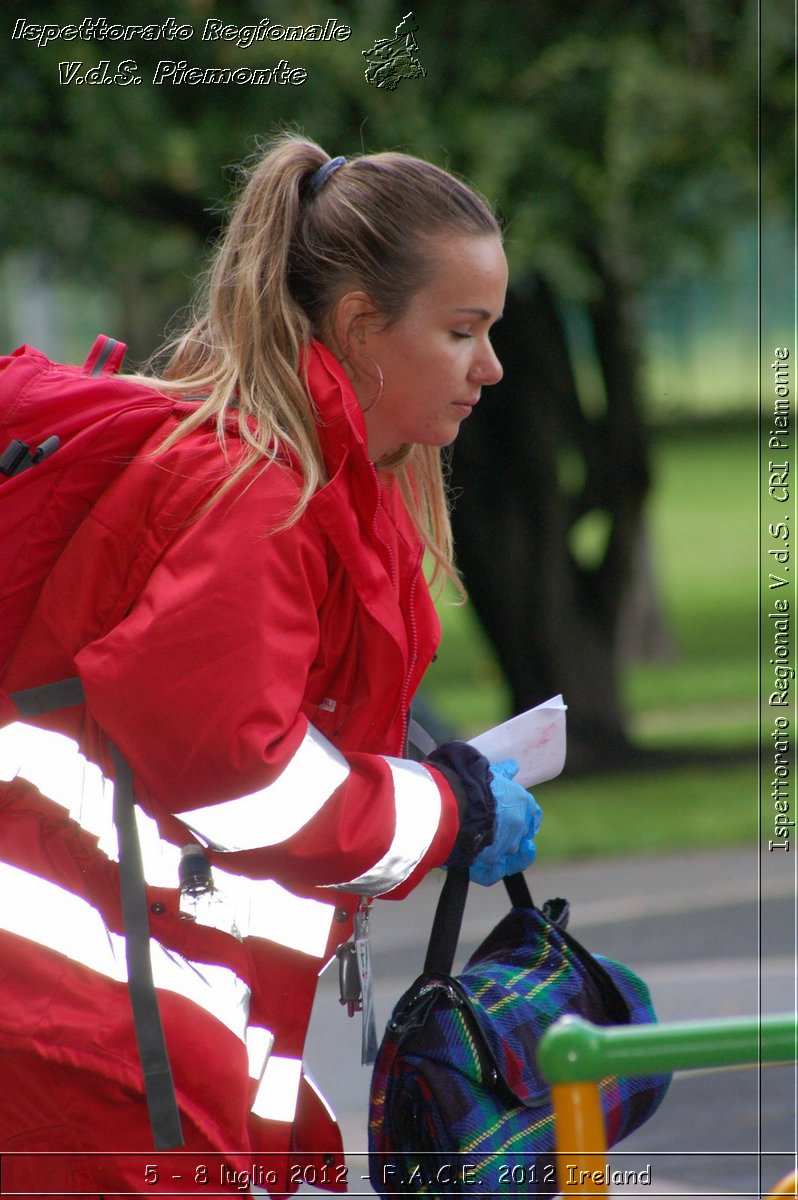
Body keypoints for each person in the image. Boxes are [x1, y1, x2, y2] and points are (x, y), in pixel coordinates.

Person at [0, 133, 541, 1196]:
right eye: (464, 331)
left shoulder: (299, 481)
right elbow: (240, 780)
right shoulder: (257, 495)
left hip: (114, 1025)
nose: (492, 367)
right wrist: (444, 813)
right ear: (359, 328)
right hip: (87, 1038)